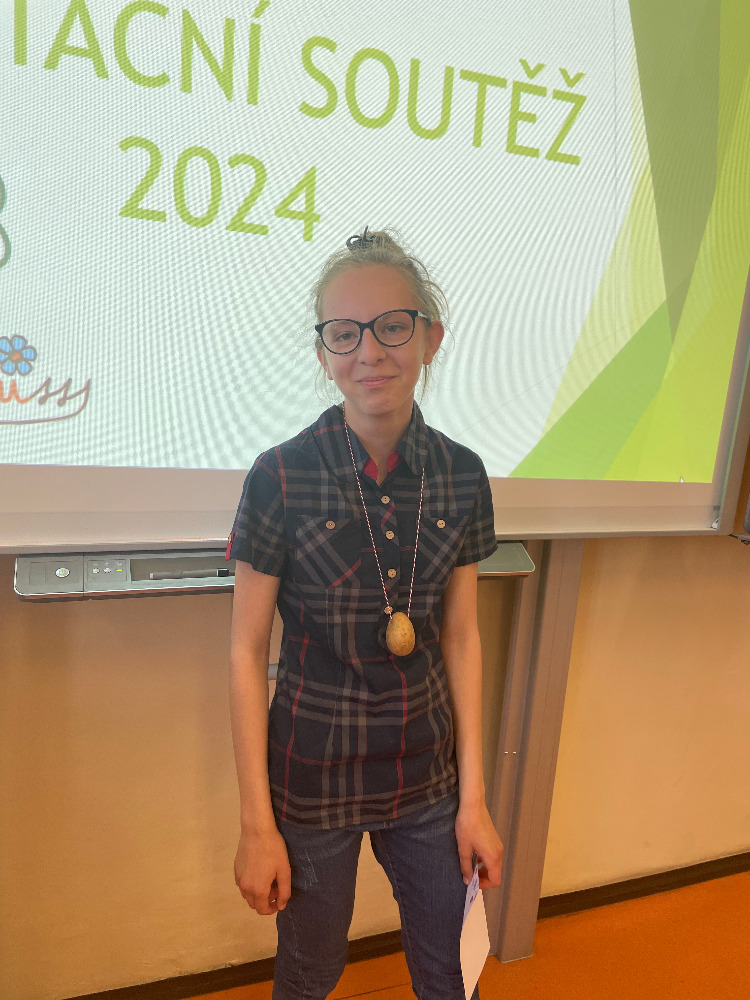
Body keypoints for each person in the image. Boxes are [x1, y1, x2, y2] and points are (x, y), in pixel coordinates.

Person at [228, 228, 504, 1000]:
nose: (370, 351)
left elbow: (462, 636)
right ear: (324, 353)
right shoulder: (280, 476)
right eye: (344, 333)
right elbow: (246, 652)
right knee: (312, 969)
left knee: (450, 970)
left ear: (430, 337)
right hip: (312, 774)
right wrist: (256, 824)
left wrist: (474, 801)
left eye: (392, 326)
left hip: (427, 772)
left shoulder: (462, 475)